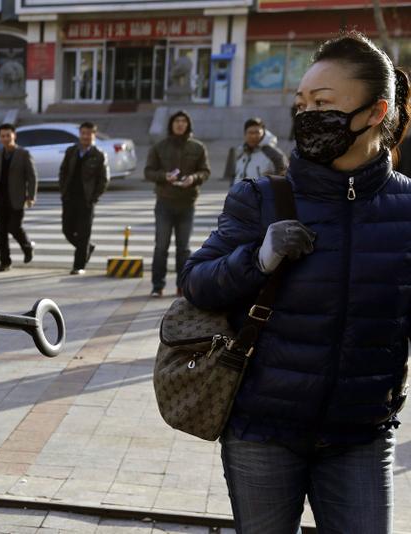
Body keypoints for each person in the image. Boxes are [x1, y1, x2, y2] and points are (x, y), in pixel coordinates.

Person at [180, 31, 411, 533]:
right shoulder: (261, 198)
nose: (307, 116)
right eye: (302, 104)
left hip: (361, 435)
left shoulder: (407, 209)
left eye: (323, 104)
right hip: (261, 431)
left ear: (376, 112)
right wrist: (257, 257)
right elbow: (197, 283)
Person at [144, 110, 210, 297]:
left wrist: (194, 178)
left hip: (187, 203)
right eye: (176, 121)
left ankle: (183, 286)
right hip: (164, 202)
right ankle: (158, 286)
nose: (180, 124)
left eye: (183, 121)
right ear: (171, 124)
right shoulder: (160, 146)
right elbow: (148, 172)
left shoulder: (198, 147)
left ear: (188, 125)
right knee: (161, 246)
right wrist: (164, 176)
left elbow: (205, 171)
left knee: (184, 249)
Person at [58, 122, 109, 275]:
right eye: (83, 133)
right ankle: (87, 247)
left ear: (94, 135)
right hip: (69, 198)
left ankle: (79, 265)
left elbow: (104, 179)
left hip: (87, 200)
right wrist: (63, 191)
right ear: (79, 134)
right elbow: (63, 172)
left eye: (89, 133)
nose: (85, 136)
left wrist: (94, 197)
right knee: (67, 230)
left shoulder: (98, 154)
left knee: (83, 233)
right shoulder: (71, 151)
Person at [0, 123, 37, 272]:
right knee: (0, 232)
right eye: (2, 136)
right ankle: (5, 262)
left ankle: (27, 247)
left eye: (8, 135)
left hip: (17, 197)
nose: (5, 138)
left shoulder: (23, 153)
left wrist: (31, 196)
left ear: (14, 136)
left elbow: (32, 176)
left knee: (14, 227)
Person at [223, 117, 288, 184]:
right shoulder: (240, 153)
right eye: (250, 133)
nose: (253, 136)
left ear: (264, 134)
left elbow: (283, 181)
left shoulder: (275, 155)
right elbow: (233, 180)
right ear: (245, 135)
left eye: (257, 132)